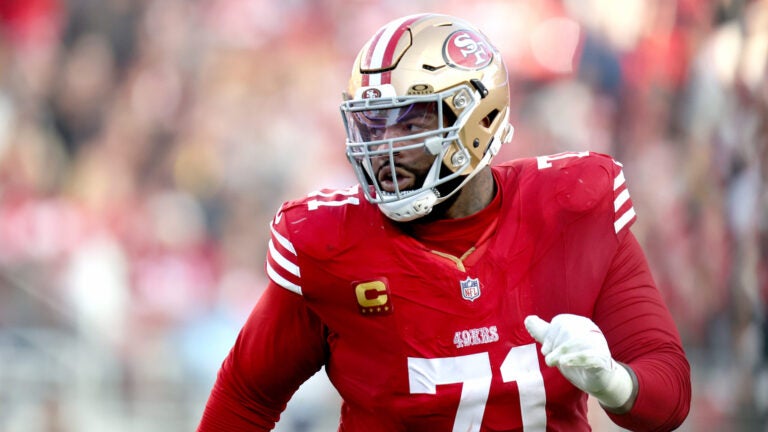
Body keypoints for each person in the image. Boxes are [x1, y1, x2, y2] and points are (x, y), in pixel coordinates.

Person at [197, 13, 691, 431]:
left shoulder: (572, 208)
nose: (386, 151)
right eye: (375, 125)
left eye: (411, 124)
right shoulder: (331, 249)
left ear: (478, 120)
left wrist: (613, 381)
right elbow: (245, 396)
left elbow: (669, 393)